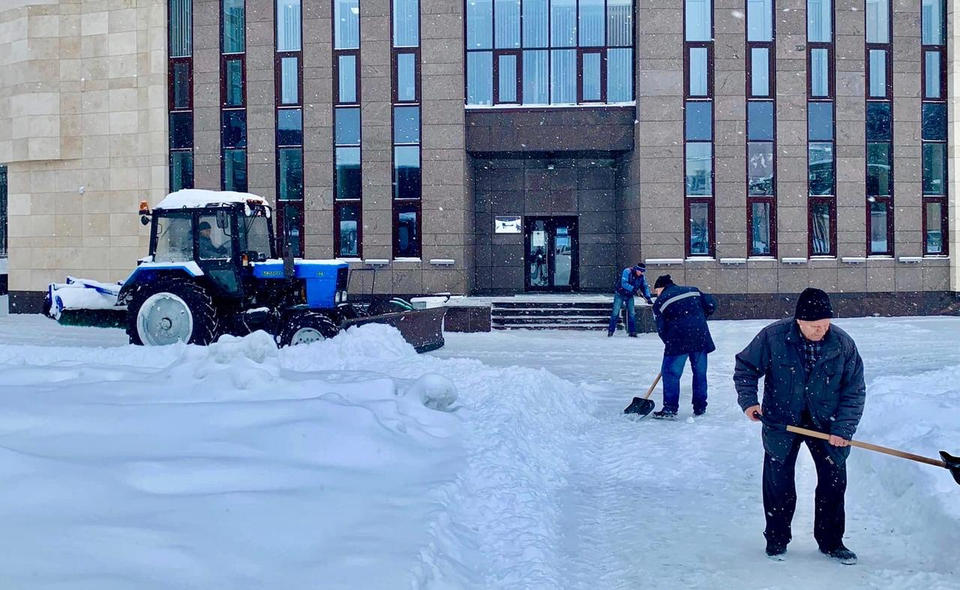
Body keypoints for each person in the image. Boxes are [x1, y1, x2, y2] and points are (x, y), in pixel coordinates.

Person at [733, 288, 865, 564]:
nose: (822, 330)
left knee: (833, 481)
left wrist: (843, 430)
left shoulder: (842, 343)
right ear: (799, 322)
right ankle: (777, 538)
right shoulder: (774, 337)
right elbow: (745, 367)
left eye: (826, 324)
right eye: (815, 326)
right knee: (777, 482)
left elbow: (854, 390)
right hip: (781, 421)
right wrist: (749, 402)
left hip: (826, 423)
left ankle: (831, 542)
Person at [650, 274, 716, 418]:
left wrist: (670, 344)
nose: (656, 294)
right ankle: (700, 407)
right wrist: (698, 318)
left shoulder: (660, 303)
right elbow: (711, 304)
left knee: (671, 374)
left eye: (656, 291)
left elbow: (662, 329)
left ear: (661, 288)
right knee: (700, 373)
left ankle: (670, 409)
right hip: (700, 336)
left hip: (678, 340)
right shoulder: (693, 290)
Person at [607, 263, 653, 337]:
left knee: (632, 313)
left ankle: (632, 332)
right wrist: (633, 288)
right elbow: (624, 283)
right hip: (620, 294)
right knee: (615, 312)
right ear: (637, 269)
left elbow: (644, 287)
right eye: (640, 271)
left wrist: (648, 297)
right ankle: (610, 331)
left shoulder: (641, 277)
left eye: (643, 272)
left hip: (629, 295)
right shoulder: (627, 271)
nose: (641, 273)